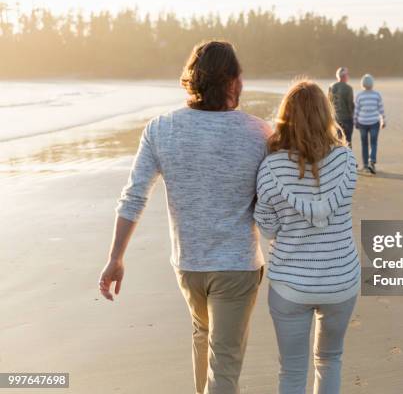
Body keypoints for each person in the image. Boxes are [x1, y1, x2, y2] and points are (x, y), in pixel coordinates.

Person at [98, 40, 272, 394]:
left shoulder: (161, 129)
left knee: (203, 335)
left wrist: (116, 258)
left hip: (188, 265)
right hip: (237, 265)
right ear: (233, 81)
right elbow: (275, 197)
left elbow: (134, 196)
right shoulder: (259, 132)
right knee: (223, 362)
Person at [254, 79, 360, 394]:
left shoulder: (271, 167)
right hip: (341, 280)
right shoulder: (345, 160)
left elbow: (268, 228)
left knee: (292, 371)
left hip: (290, 284)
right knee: (330, 360)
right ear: (325, 115)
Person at [354, 74, 386, 174]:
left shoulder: (359, 95)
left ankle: (365, 165)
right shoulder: (377, 95)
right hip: (374, 123)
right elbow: (381, 109)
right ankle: (372, 161)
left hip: (362, 122)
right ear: (372, 83)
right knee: (373, 143)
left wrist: (355, 121)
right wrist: (383, 121)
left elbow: (356, 110)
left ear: (362, 84)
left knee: (364, 144)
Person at [328, 67, 355, 147]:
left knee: (337, 142)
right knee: (348, 141)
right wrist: (353, 116)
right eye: (347, 74)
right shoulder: (348, 88)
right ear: (344, 76)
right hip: (346, 119)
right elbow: (350, 105)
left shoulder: (331, 86)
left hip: (335, 118)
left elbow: (328, 102)